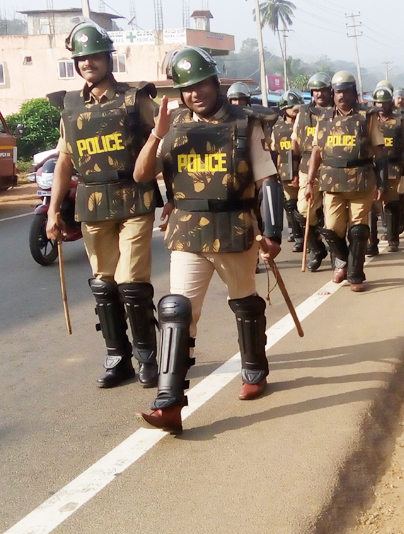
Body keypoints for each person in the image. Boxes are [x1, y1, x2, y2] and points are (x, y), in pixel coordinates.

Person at [133, 46, 284, 434]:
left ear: (215, 83)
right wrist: (157, 135)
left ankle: (253, 367)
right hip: (188, 229)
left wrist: (272, 232)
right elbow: (141, 174)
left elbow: (267, 181)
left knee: (245, 301)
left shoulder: (244, 123)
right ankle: (168, 402)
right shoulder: (172, 125)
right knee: (176, 311)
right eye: (186, 88)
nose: (195, 93)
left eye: (201, 84)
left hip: (234, 228)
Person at [46, 22, 162, 389]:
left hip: (133, 197)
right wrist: (52, 211)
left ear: (108, 58)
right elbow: (64, 161)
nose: (87, 64)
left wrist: (175, 197)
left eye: (94, 56)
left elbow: (166, 140)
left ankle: (146, 356)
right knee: (104, 284)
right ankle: (117, 356)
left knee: (132, 283)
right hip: (92, 203)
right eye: (81, 58)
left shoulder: (135, 99)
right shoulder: (70, 105)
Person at [300, 71, 387, 292]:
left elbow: (380, 152)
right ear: (333, 93)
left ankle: (355, 274)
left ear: (354, 93)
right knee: (332, 229)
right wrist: (310, 182)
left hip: (361, 180)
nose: (341, 96)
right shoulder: (324, 118)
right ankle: (342, 261)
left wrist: (382, 183)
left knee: (358, 229)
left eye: (346, 91)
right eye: (338, 92)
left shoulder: (367, 117)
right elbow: (316, 152)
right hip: (332, 182)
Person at [371, 86, 404, 253]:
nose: (381, 106)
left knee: (391, 203)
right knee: (370, 207)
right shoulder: (368, 121)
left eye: (384, 102)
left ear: (390, 103)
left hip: (392, 167)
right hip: (371, 168)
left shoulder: (400, 121)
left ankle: (393, 239)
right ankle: (371, 242)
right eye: (378, 102)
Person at [292, 73, 332, 271]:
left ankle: (338, 252)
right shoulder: (303, 113)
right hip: (308, 165)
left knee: (332, 212)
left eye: (323, 89)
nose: (319, 94)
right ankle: (317, 248)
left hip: (333, 164)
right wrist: (294, 170)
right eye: (316, 90)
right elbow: (295, 143)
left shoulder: (337, 111)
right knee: (303, 210)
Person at [271, 90, 306, 252]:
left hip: (304, 170)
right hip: (286, 171)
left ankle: (310, 234)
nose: (294, 110)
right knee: (291, 205)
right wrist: (277, 173)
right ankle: (299, 237)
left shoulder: (306, 123)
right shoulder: (277, 127)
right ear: (284, 108)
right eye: (291, 107)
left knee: (305, 206)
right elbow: (276, 152)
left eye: (296, 107)